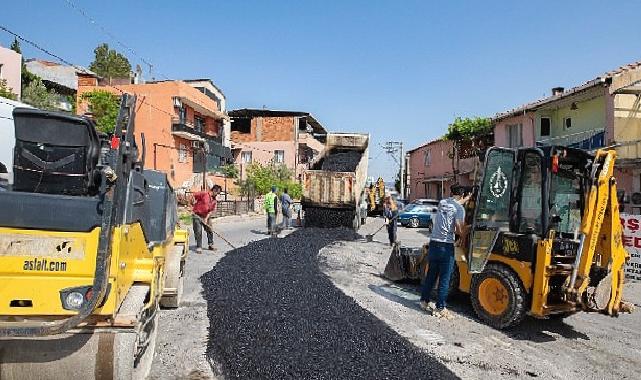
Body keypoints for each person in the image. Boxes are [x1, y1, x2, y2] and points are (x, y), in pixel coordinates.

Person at [419, 185, 471, 318]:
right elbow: (459, 230)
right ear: (463, 195)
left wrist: (465, 199)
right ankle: (440, 308)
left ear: (451, 193)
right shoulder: (459, 209)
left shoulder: (443, 202)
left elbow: (453, 205)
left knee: (431, 274)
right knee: (444, 278)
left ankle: (424, 301)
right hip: (446, 246)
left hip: (434, 244)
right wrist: (469, 228)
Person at [192, 184, 222, 254]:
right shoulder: (204, 193)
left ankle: (210, 245)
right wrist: (191, 204)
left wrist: (206, 218)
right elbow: (193, 196)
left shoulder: (214, 200)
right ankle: (199, 247)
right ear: (214, 190)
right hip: (197, 215)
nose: (218, 194)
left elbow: (211, 211)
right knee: (198, 231)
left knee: (210, 230)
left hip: (206, 216)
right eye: (218, 193)